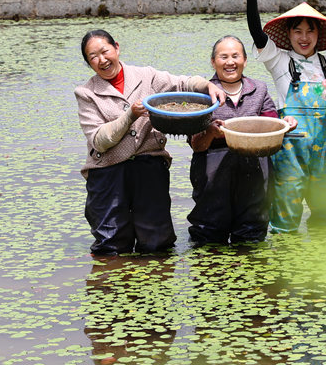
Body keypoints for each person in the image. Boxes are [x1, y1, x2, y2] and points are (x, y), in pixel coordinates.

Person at [75, 29, 225, 256]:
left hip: (149, 163)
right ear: (89, 62)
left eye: (105, 51)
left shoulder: (146, 75)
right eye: (93, 56)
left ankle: (156, 286)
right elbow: (99, 140)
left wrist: (207, 85)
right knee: (111, 243)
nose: (102, 60)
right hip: (107, 171)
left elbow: (183, 84)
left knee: (156, 242)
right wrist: (130, 116)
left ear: (116, 47)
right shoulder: (86, 93)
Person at [227, 0, 326, 233]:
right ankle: (283, 269)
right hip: (291, 153)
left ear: (318, 34)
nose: (304, 38)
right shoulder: (280, 61)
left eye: (310, 31)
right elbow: (258, 34)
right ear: (289, 35)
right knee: (285, 219)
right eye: (298, 31)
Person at [186, 35, 297, 245]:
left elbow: (271, 126)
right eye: (223, 56)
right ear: (213, 61)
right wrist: (210, 132)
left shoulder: (259, 89)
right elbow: (197, 144)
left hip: (254, 168)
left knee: (252, 234)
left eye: (236, 56)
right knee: (208, 235)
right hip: (213, 171)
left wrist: (286, 124)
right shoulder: (202, 93)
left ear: (245, 60)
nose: (230, 62)